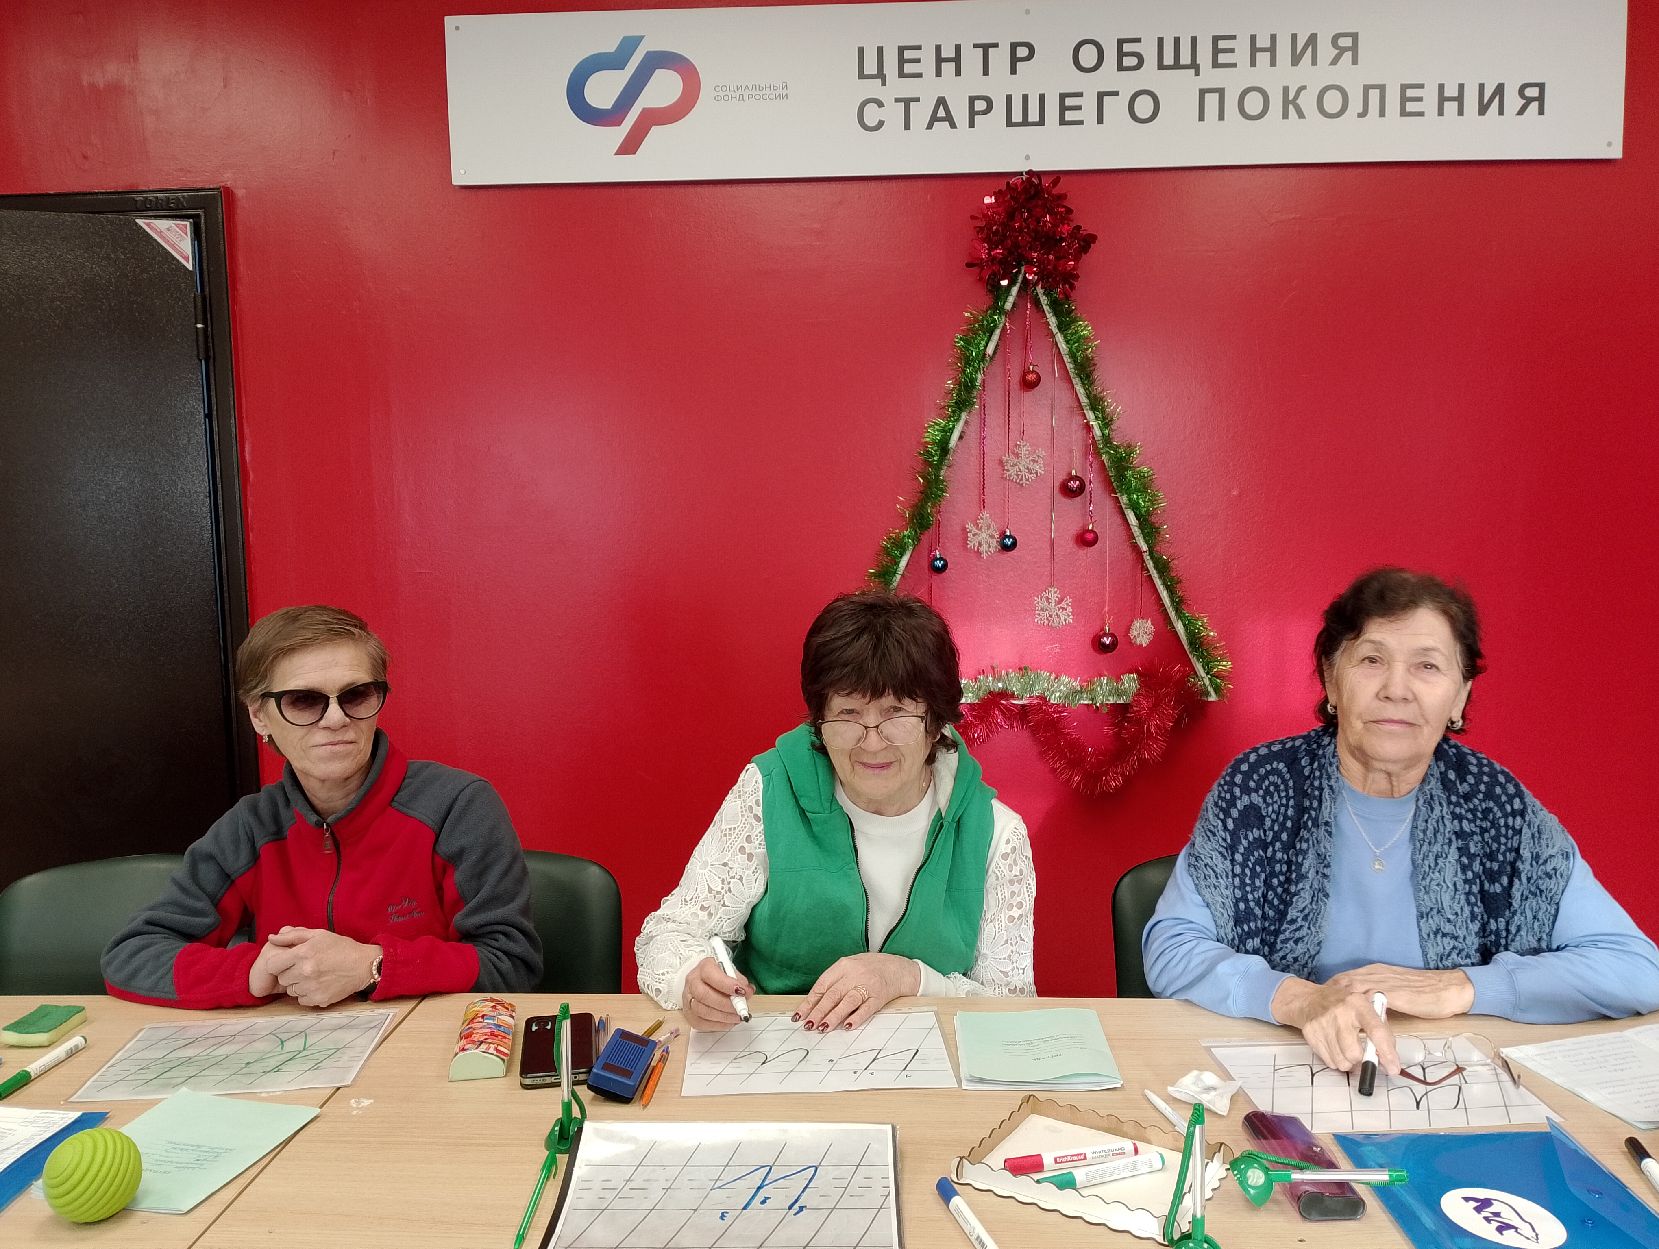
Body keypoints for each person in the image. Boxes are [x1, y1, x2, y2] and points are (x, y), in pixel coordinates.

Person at [1144, 567, 1659, 1075]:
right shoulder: (1259, 789)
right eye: (1371, 660)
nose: (1396, 688)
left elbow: (1637, 969)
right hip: (1280, 1067)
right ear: (1331, 679)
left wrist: (1462, 986)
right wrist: (1296, 999)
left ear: (1460, 695)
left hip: (1445, 1081)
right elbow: (1171, 947)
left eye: (1427, 666)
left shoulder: (1499, 808)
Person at [103, 605, 541, 1008]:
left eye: (356, 695)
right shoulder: (249, 828)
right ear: (258, 716)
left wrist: (372, 965)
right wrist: (255, 972)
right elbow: (132, 955)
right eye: (304, 700)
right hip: (290, 1049)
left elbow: (512, 964)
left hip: (426, 1050)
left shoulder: (459, 805)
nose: (335, 719)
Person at [636, 590, 1036, 1031]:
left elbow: (1011, 1009)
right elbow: (669, 933)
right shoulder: (768, 791)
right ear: (819, 721)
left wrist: (908, 976)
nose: (872, 743)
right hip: (774, 1049)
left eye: (896, 714)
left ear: (935, 722)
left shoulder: (996, 834)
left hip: (929, 1064)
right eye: (848, 714)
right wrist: (690, 979)